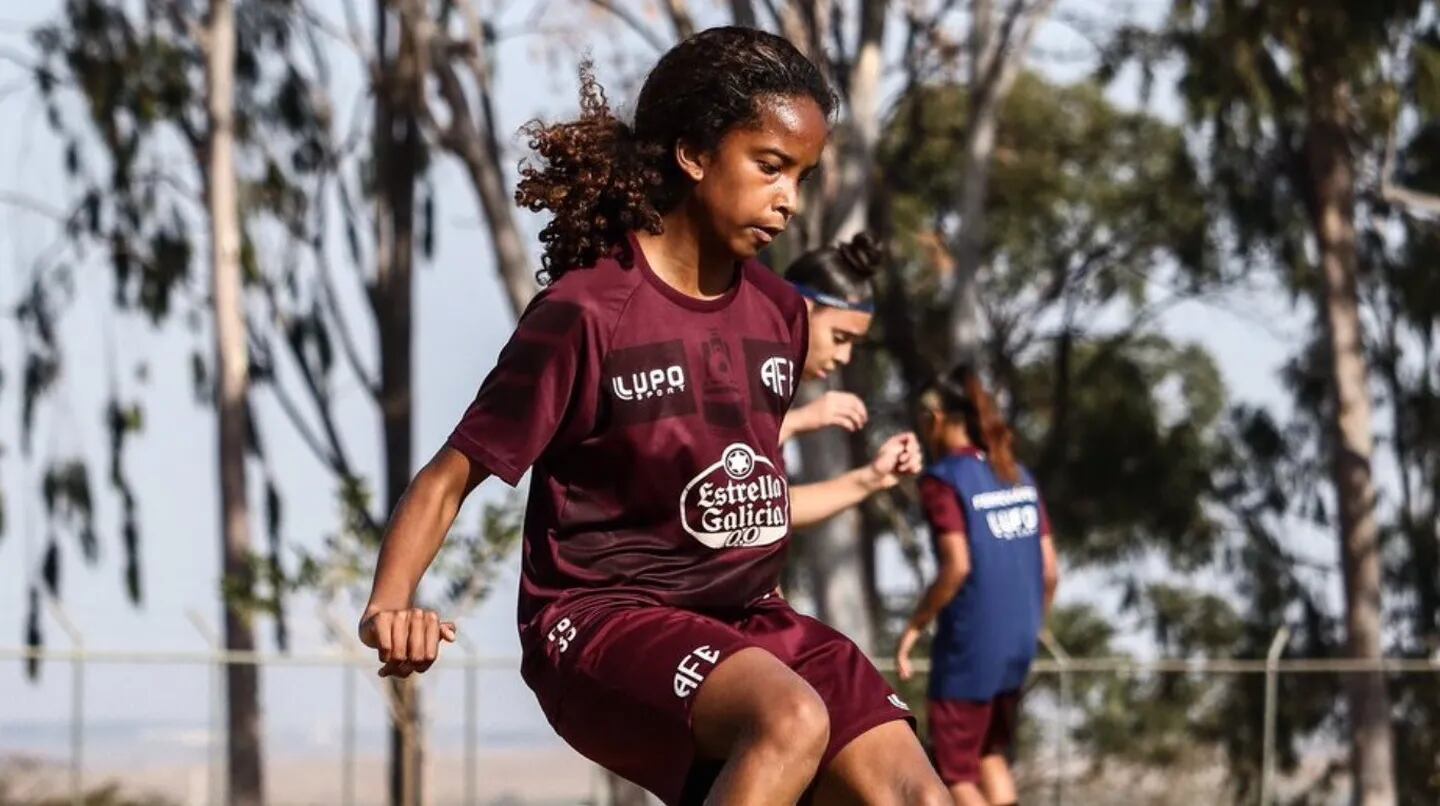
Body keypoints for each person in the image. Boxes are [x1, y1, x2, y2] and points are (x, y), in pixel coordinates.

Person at [356, 27, 950, 806]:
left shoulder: (779, 312)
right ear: (694, 153)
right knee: (789, 720)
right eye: (770, 167)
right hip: (601, 622)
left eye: (802, 177)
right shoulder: (588, 313)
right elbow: (446, 479)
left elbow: (732, 473)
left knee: (919, 797)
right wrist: (389, 607)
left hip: (752, 621)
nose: (789, 201)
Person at [895, 366, 1061, 806]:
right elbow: (1049, 570)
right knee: (988, 754)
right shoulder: (1017, 474)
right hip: (1018, 643)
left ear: (935, 419)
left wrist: (916, 624)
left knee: (953, 773)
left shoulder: (943, 480)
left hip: (972, 648)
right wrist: (1029, 623)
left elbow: (956, 566)